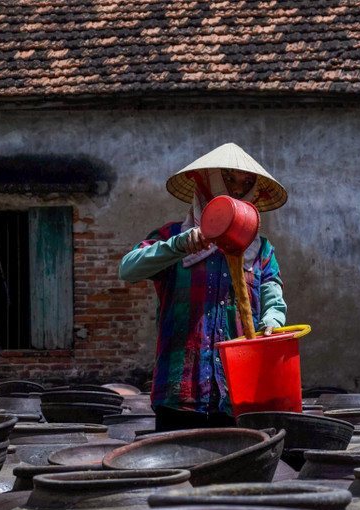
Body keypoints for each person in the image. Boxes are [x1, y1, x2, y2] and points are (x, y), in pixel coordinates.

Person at [120, 143, 288, 430]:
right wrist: (179, 245)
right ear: (207, 181)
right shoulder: (173, 237)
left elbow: (273, 297)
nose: (236, 190)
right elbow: (129, 269)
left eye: (246, 183)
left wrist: (273, 320)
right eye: (228, 179)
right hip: (179, 393)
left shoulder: (260, 250)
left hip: (239, 397)